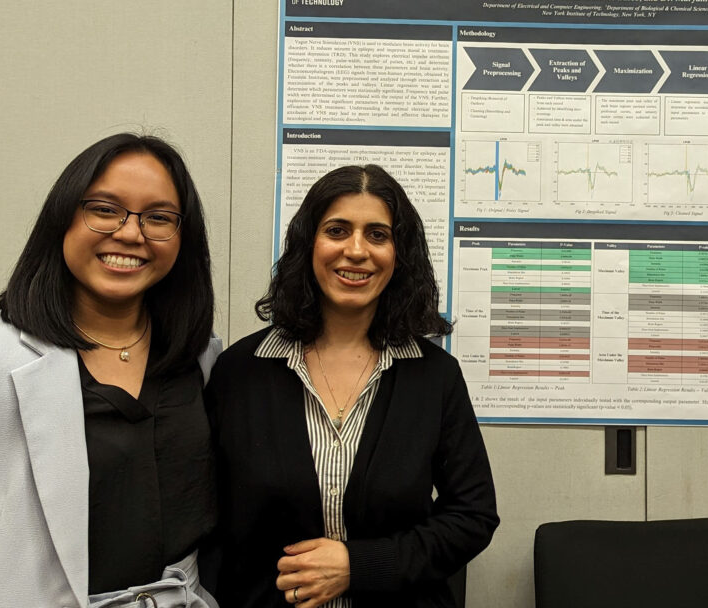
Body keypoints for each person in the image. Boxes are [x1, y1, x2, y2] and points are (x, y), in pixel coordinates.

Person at [0, 133, 221, 607]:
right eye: (104, 208)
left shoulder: (198, 359)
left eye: (158, 217)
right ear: (63, 217)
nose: (131, 233)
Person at [204, 164, 497, 608]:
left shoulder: (434, 376)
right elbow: (208, 519)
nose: (356, 251)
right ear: (309, 245)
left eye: (377, 235)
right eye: (337, 230)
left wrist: (360, 565)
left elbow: (472, 515)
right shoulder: (239, 372)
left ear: (400, 254)